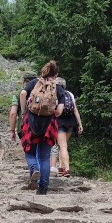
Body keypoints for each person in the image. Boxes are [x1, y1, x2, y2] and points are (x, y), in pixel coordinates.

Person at [19, 61, 65, 195]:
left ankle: (34, 169)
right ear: (56, 74)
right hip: (49, 124)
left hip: (31, 121)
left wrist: (24, 113)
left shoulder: (35, 83)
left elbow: (22, 94)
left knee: (29, 151)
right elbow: (59, 112)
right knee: (45, 157)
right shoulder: (58, 88)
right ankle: (43, 188)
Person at [54, 77, 83, 177]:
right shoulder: (69, 94)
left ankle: (67, 169)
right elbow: (75, 110)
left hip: (60, 121)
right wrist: (80, 124)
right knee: (63, 145)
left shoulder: (56, 94)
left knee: (62, 146)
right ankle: (61, 167)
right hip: (71, 122)